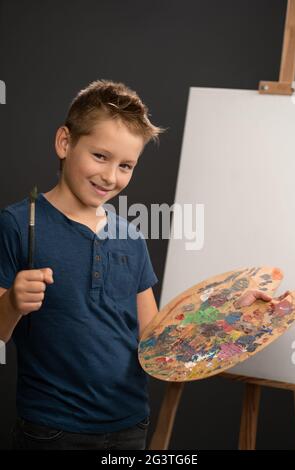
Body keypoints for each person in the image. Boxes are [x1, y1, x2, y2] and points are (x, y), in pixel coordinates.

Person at [0, 79, 273, 450]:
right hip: (51, 430)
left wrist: (226, 310)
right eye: (100, 156)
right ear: (65, 142)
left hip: (129, 425)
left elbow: (154, 336)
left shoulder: (130, 236)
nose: (111, 176)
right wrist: (13, 301)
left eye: (126, 165)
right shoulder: (18, 224)